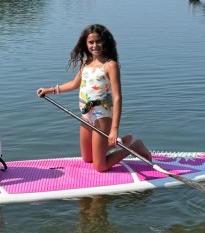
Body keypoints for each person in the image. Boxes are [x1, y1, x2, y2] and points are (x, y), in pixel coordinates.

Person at [36, 24, 152, 172]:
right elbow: (74, 84)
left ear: (105, 42)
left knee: (100, 166)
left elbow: (117, 98)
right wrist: (50, 90)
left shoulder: (110, 65)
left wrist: (114, 129)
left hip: (101, 115)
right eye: (91, 42)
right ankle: (120, 142)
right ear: (86, 44)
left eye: (98, 41)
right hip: (86, 114)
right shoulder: (86, 63)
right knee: (87, 158)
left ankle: (135, 146)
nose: (95, 45)